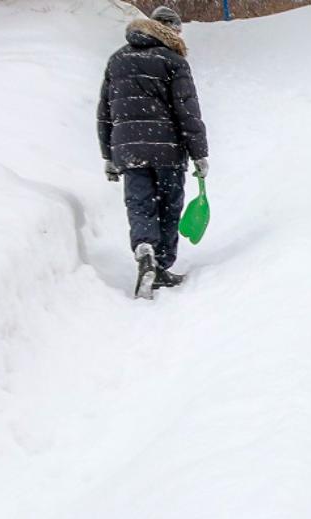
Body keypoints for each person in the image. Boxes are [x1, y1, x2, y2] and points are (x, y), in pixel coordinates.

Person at [96, 6, 209, 299]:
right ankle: (160, 264)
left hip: (129, 150)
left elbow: (104, 112)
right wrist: (199, 153)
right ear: (171, 29)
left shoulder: (117, 60)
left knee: (140, 203)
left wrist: (108, 155)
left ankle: (144, 249)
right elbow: (188, 112)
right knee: (169, 206)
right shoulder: (173, 61)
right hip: (167, 149)